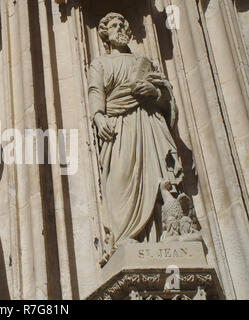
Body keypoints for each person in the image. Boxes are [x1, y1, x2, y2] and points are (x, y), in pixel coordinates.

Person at [88, 13, 184, 263]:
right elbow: (95, 91)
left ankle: (165, 234)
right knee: (120, 178)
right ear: (104, 34)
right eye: (114, 26)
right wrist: (98, 116)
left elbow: (165, 96)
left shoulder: (143, 61)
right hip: (119, 127)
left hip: (148, 122)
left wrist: (155, 93)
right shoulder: (100, 63)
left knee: (157, 176)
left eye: (123, 25)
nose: (120, 28)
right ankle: (123, 237)